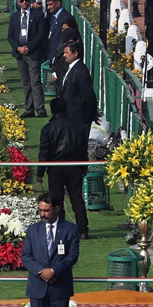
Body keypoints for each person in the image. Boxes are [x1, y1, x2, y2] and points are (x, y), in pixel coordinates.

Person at [21, 192, 80, 307]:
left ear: (57, 208)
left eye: (46, 210)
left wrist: (54, 271)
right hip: (38, 288)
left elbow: (72, 256)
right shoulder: (33, 230)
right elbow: (26, 256)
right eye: (40, 210)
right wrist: (43, 272)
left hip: (60, 287)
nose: (42, 214)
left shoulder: (70, 229)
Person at [36, 98, 90, 240]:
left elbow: (44, 152)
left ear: (52, 110)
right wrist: (84, 165)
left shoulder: (48, 128)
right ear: (66, 109)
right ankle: (83, 230)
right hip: (74, 166)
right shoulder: (79, 126)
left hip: (56, 168)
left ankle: (59, 230)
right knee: (77, 198)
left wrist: (40, 172)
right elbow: (83, 148)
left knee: (56, 200)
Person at [8, 0, 49, 118]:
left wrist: (28, 47)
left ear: (30, 1)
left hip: (33, 53)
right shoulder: (14, 17)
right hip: (20, 54)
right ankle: (28, 109)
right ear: (18, 2)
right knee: (25, 82)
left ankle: (40, 108)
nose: (24, 3)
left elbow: (41, 35)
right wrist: (18, 48)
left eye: (26, 0)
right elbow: (10, 36)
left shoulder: (38, 15)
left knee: (35, 81)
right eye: (21, 1)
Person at [57, 40, 98, 130]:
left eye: (67, 53)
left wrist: (93, 113)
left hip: (78, 118)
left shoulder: (80, 70)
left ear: (75, 53)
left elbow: (89, 94)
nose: (64, 55)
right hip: (70, 117)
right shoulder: (73, 68)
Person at [46, 0, 73, 87]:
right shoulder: (54, 16)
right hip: (54, 57)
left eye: (50, 4)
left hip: (61, 60)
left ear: (58, 4)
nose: (48, 7)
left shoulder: (66, 18)